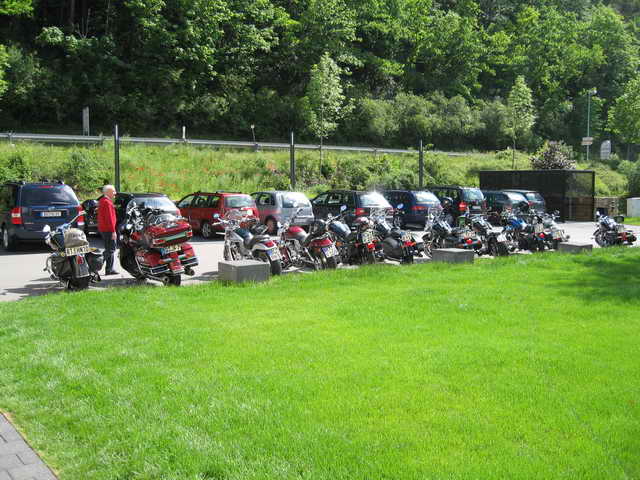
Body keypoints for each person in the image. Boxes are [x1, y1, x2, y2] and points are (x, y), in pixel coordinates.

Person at [97, 185, 119, 275]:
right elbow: (109, 218)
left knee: (109, 249)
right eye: (113, 191)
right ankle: (95, 266)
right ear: (108, 192)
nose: (115, 193)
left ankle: (109, 269)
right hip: (108, 230)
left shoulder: (103, 200)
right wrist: (113, 231)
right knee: (111, 249)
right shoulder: (107, 202)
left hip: (104, 229)